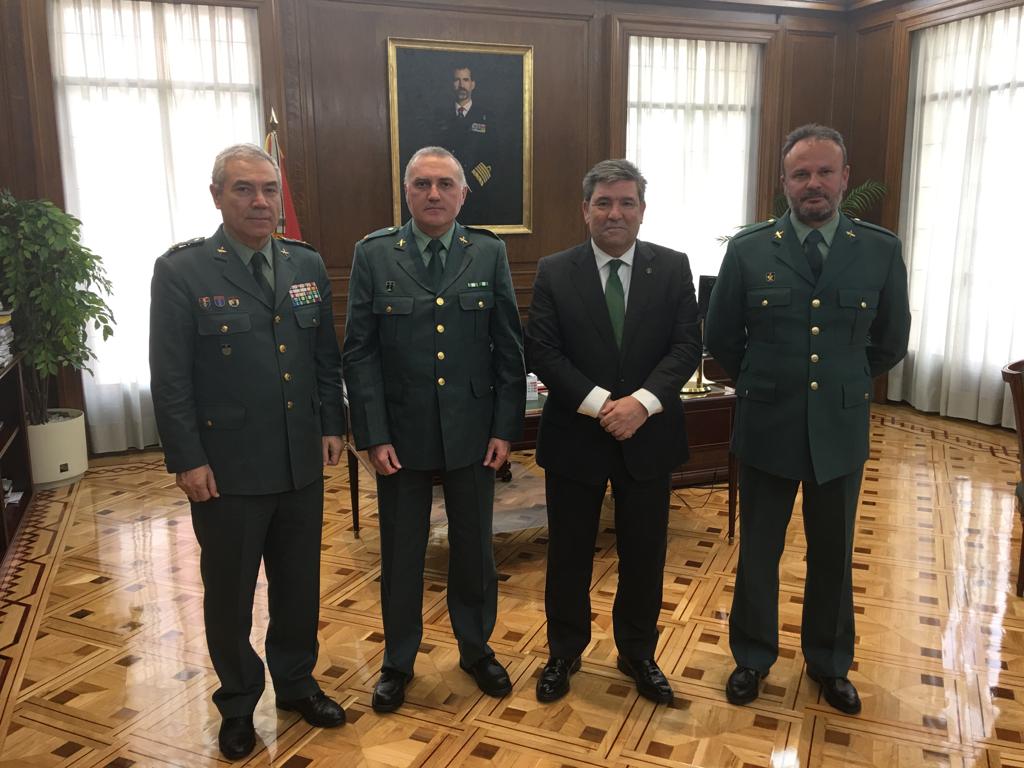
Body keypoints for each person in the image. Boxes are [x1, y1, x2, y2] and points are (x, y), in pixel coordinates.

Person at [705, 124, 911, 715]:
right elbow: (722, 339)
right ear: (784, 182)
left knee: (832, 554)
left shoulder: (878, 248)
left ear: (845, 178)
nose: (813, 184)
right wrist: (770, 382)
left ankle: (829, 663)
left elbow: (889, 341)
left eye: (825, 172)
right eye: (801, 174)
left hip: (840, 429)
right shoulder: (748, 249)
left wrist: (843, 382)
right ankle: (752, 658)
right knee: (759, 551)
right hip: (767, 425)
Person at [149, 144, 346, 760]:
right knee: (230, 591)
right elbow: (171, 375)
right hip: (226, 468)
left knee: (298, 585)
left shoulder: (305, 263)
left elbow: (323, 358)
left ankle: (295, 683)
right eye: (243, 190)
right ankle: (237, 703)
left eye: (267, 189)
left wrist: (332, 423)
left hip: (298, 461)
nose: (260, 202)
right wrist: (187, 458)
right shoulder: (183, 270)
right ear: (217, 196)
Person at [342, 146, 525, 713]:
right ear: (406, 192)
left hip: (473, 432)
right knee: (401, 553)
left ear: (464, 195)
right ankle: (398, 661)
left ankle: (476, 649)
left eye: (445, 184)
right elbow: (360, 353)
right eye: (422, 184)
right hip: (401, 434)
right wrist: (372, 434)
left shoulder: (489, 252)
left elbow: (508, 351)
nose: (434, 194)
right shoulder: (373, 254)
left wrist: (504, 428)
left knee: (475, 549)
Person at [525, 159, 701, 704]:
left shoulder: (673, 268)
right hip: (577, 438)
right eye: (603, 202)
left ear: (643, 211)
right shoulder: (555, 270)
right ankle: (564, 652)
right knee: (570, 555)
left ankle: (638, 653)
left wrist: (642, 406)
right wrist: (606, 406)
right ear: (585, 211)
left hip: (648, 437)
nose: (615, 212)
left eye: (626, 202)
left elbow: (686, 348)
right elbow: (543, 352)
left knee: (645, 555)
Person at [429, 65, 516, 226]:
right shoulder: (440, 116)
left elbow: (494, 155)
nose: (461, 85)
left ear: (473, 84)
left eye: (465, 80)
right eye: (457, 80)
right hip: (444, 192)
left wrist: (469, 182)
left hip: (476, 192)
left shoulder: (486, 117)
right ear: (451, 84)